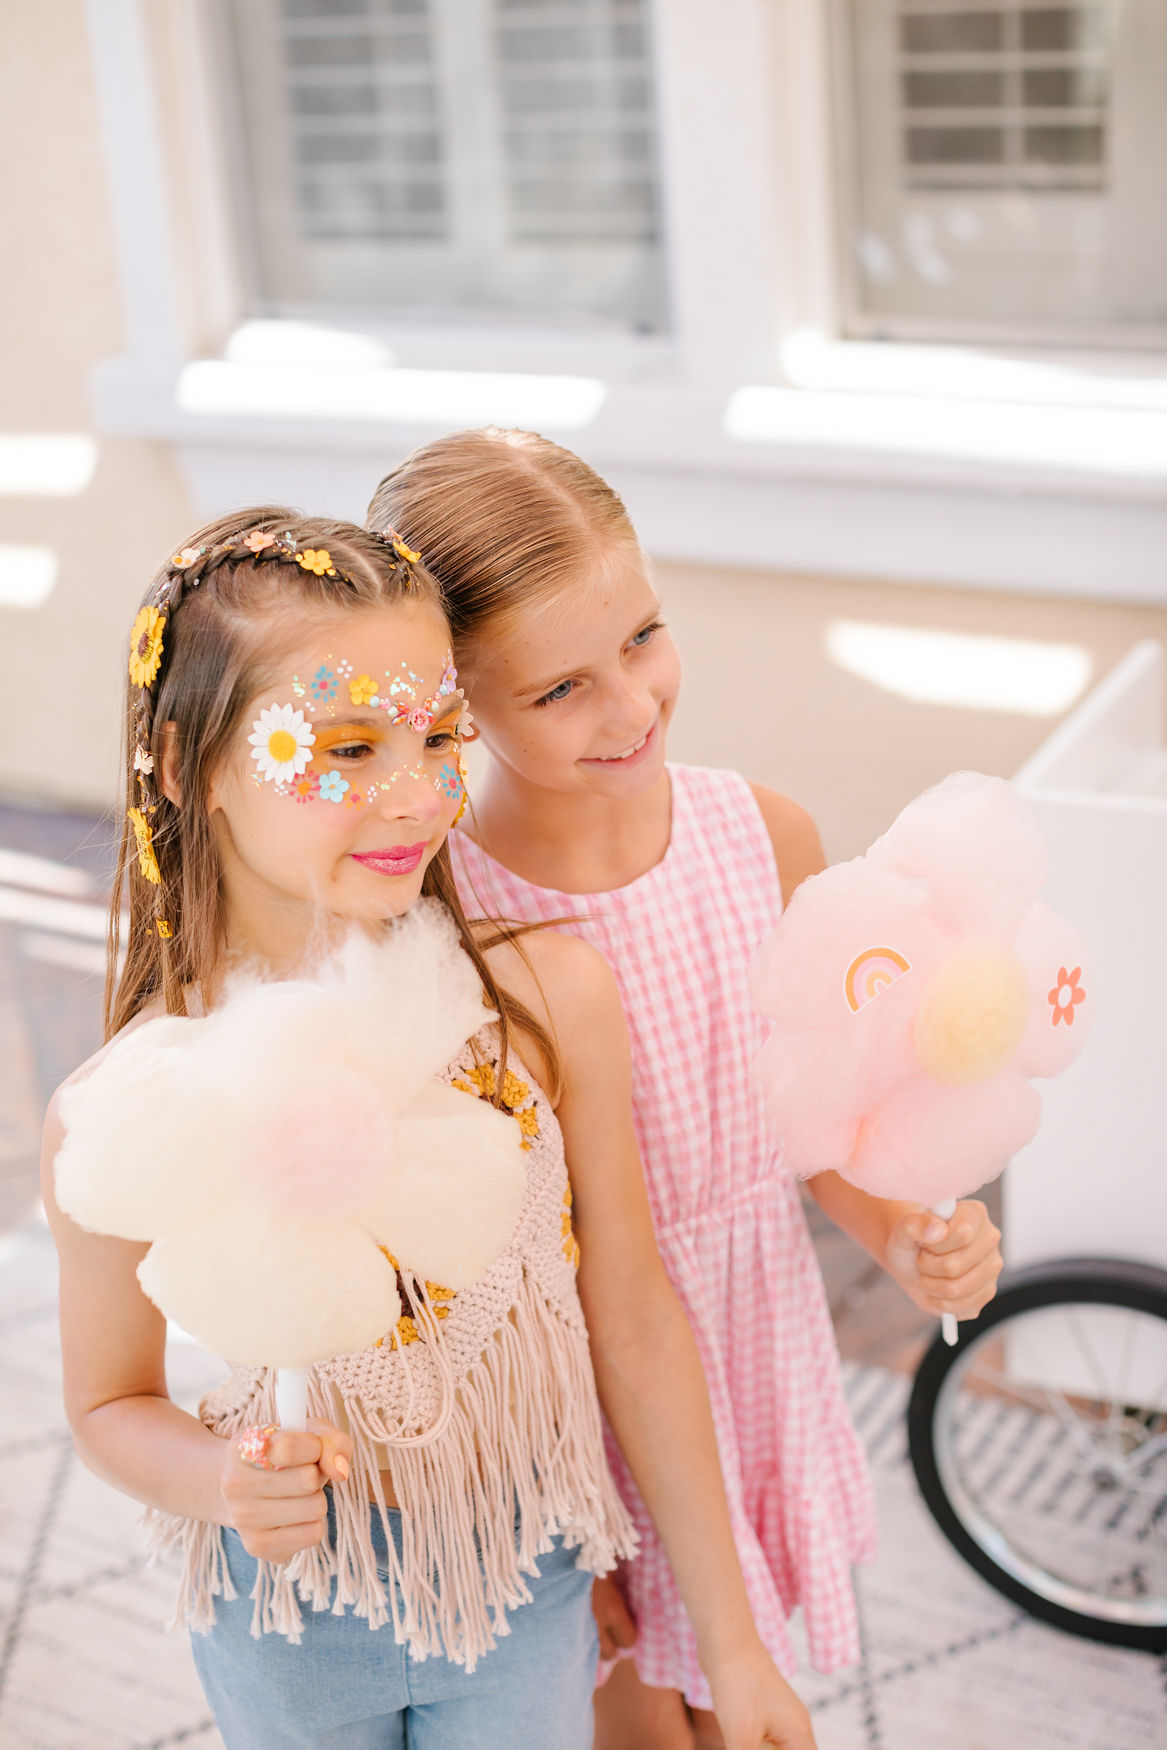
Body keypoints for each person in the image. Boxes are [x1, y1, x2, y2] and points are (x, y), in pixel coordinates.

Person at [42, 513, 817, 1750]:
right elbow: (107, 1401)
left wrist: (732, 1639)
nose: (415, 795)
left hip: (525, 1578)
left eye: (440, 734)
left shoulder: (545, 1008)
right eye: (347, 746)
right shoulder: (123, 1111)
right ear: (186, 766)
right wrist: (224, 1483)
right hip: (288, 1609)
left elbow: (632, 1312)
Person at [368, 431, 1006, 1750]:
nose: (630, 705)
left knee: (752, 1698)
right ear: (451, 701)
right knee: (638, 1725)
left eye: (642, 635)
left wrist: (900, 1233)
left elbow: (805, 1109)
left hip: (749, 1338)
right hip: (576, 1398)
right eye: (558, 689)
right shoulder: (448, 918)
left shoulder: (760, 833)